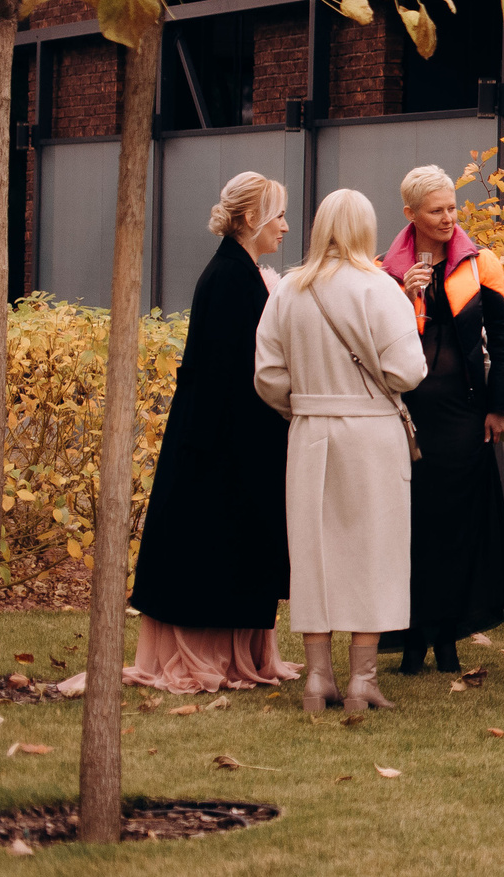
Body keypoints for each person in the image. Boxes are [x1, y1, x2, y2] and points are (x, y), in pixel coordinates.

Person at [255, 187, 428, 713]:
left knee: (315, 554)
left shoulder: (287, 291)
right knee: (373, 553)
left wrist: (305, 405)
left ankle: (316, 680)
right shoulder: (382, 289)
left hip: (310, 433)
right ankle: (362, 681)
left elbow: (268, 375)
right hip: (372, 433)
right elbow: (408, 371)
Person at [127, 172, 301, 693]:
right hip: (223, 443)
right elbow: (230, 370)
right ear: (250, 219)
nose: (286, 227)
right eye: (278, 216)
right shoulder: (229, 277)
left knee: (238, 543)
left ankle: (237, 651)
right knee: (219, 542)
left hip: (230, 437)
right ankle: (210, 655)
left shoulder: (238, 272)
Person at [381, 164, 504, 675]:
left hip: (464, 415)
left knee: (458, 526)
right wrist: (400, 295)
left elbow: (503, 346)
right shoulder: (383, 269)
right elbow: (375, 345)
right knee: (412, 528)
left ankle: (450, 640)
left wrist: (498, 408)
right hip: (407, 417)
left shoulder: (483, 262)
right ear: (410, 214)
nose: (448, 218)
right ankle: (415, 638)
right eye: (436, 210)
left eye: (452, 208)